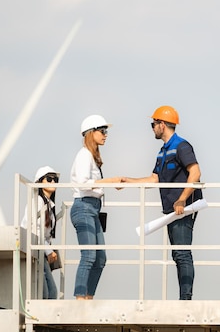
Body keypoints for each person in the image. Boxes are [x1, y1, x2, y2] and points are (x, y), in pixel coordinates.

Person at [122, 105, 202, 300]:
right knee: (177, 254)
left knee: (182, 253)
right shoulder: (162, 152)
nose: (152, 128)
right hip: (171, 210)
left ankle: (186, 300)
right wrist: (129, 181)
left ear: (162, 125)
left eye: (153, 124)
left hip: (183, 208)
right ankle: (184, 298)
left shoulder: (181, 146)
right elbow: (154, 178)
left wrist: (182, 199)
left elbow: (195, 173)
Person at [70, 114, 121, 300]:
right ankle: (80, 299)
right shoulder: (84, 155)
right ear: (91, 133)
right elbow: (84, 183)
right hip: (84, 207)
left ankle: (87, 298)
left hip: (92, 208)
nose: (105, 134)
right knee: (89, 255)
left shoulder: (90, 156)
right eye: (102, 130)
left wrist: (109, 182)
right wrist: (110, 181)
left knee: (100, 259)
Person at [21, 165, 59, 300]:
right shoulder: (37, 201)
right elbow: (34, 229)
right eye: (49, 179)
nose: (53, 182)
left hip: (40, 250)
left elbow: (45, 232)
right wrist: (48, 251)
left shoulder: (49, 204)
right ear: (40, 182)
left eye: (55, 179)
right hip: (34, 250)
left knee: (51, 293)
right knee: (47, 294)